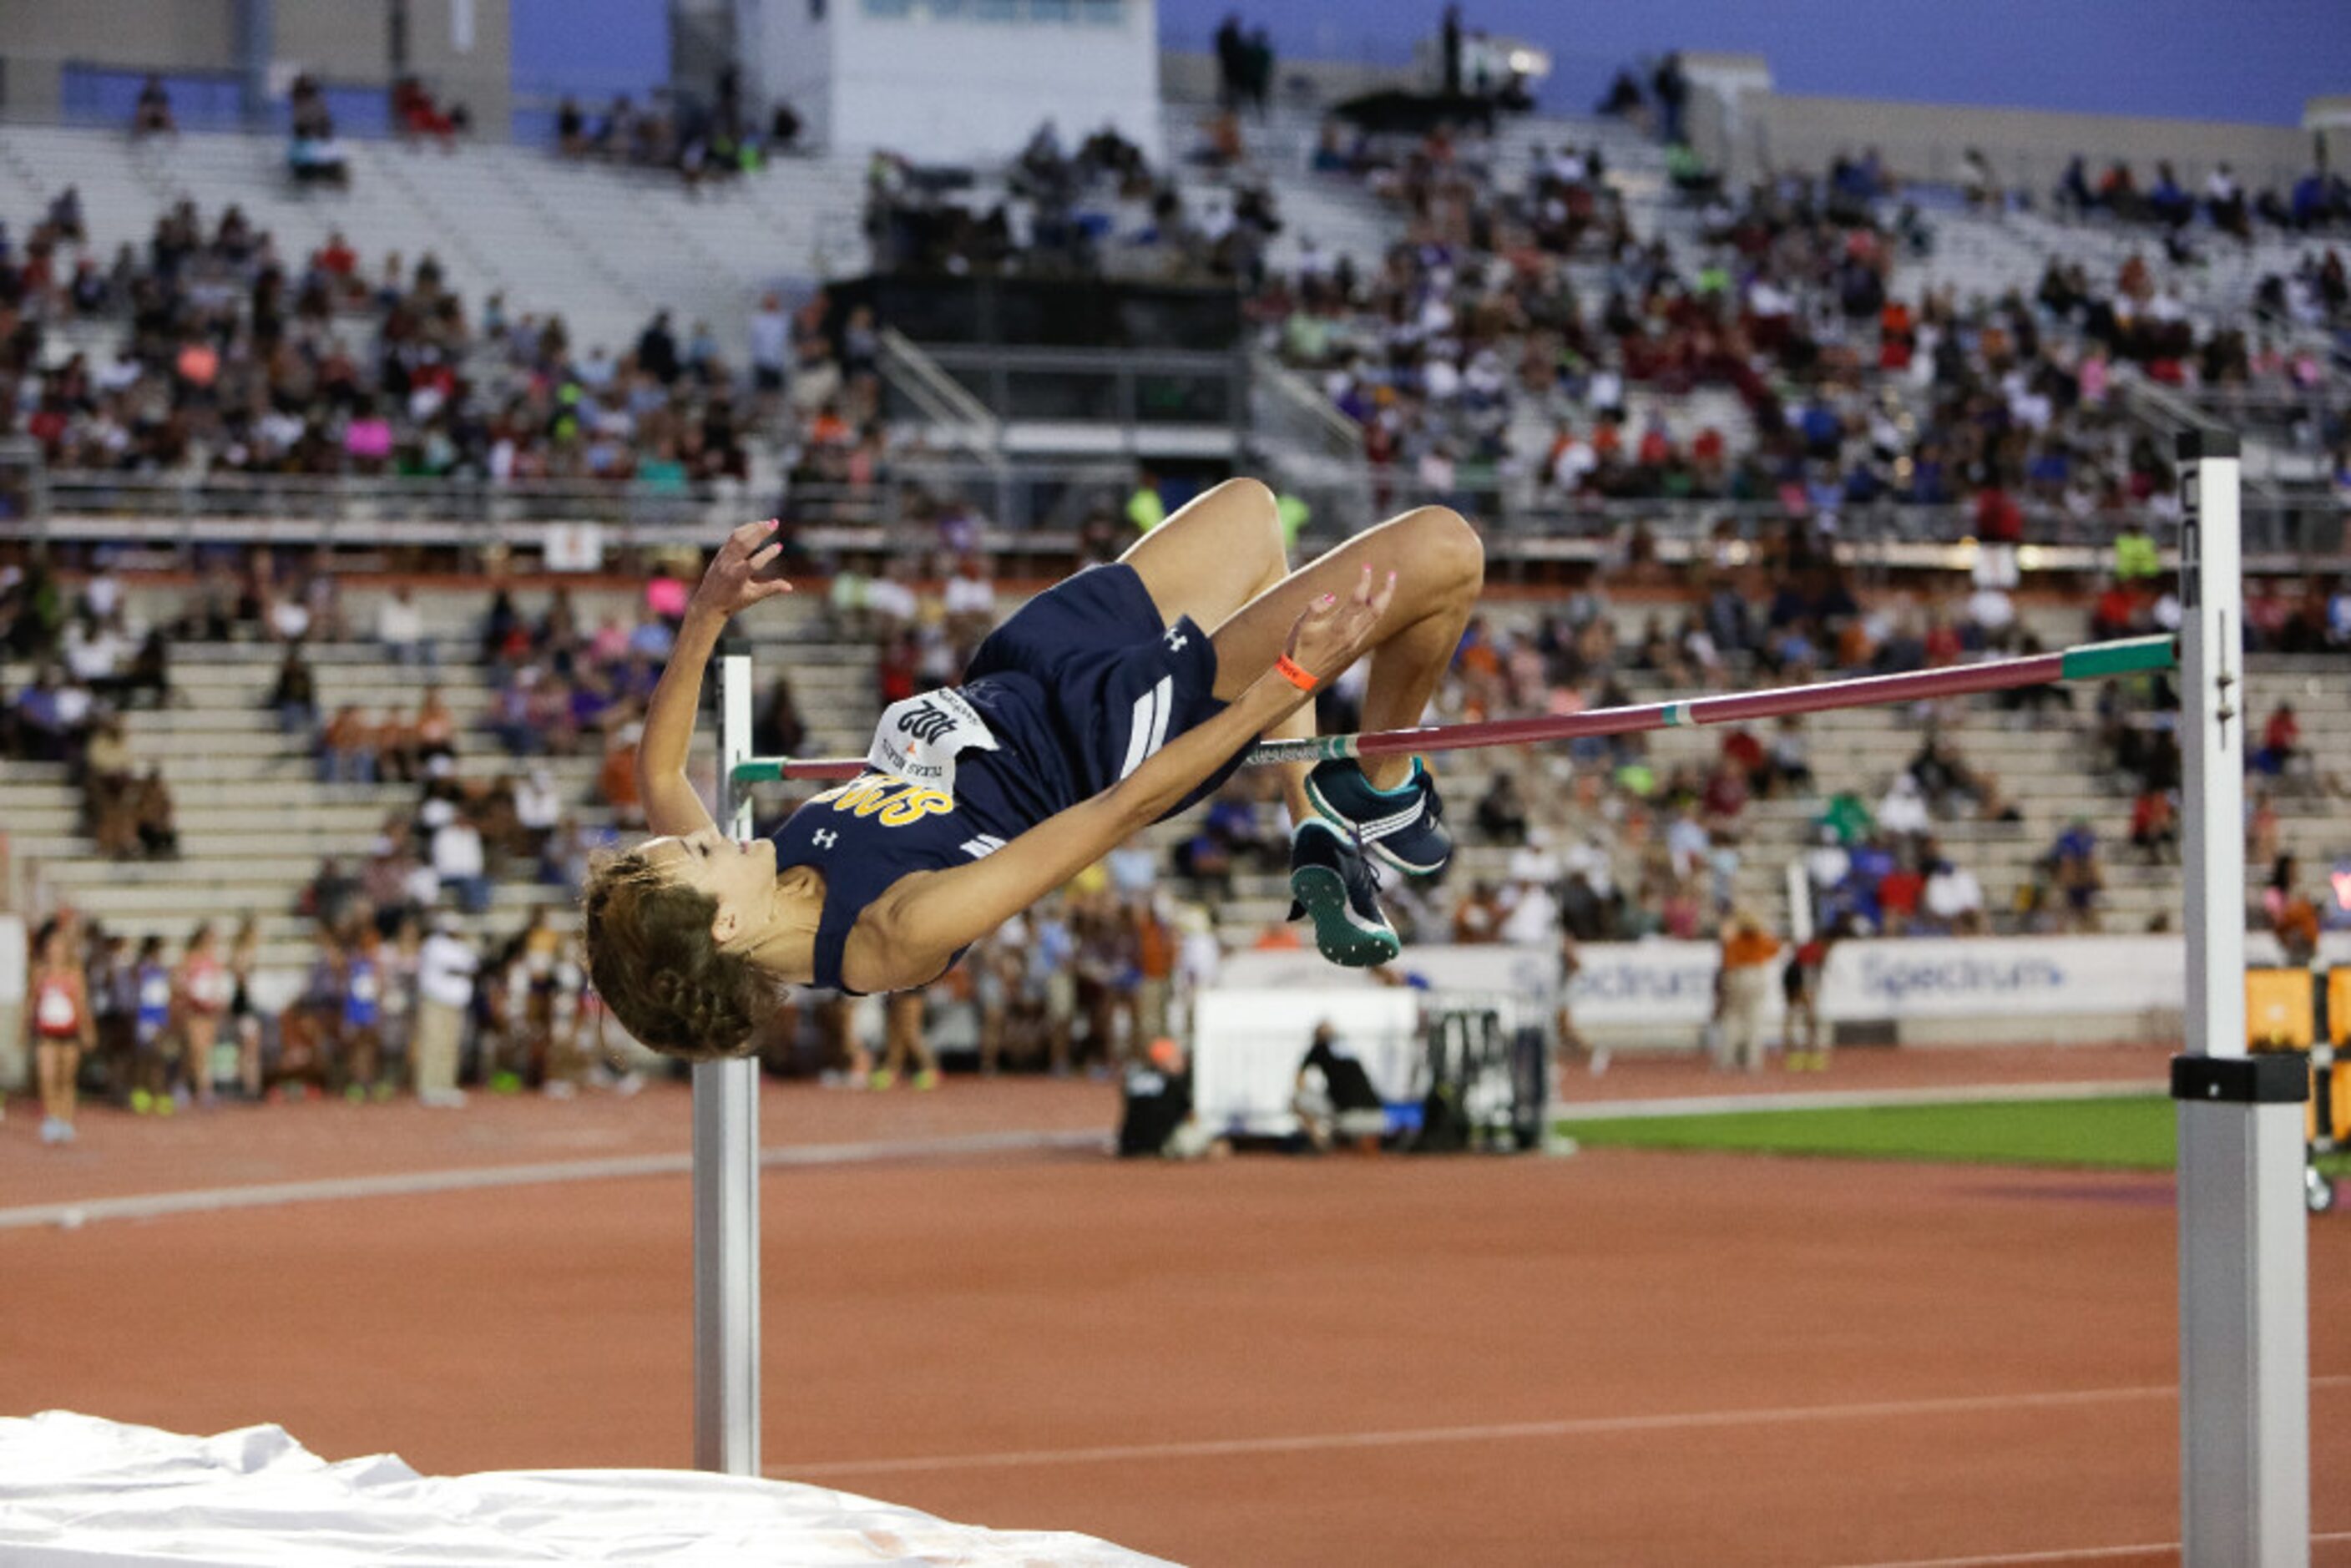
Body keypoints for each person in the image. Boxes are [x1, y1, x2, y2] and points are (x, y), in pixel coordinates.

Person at [584, 483, 1483, 1060]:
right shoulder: (895, 932)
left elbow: (657, 766)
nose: (705, 836)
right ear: (728, 924)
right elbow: (1118, 813)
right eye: (696, 856)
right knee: (1444, 551)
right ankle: (1379, 789)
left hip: (1024, 666)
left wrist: (705, 612)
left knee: (1249, 513)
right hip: (1109, 733)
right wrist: (1290, 678)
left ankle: (1315, 826)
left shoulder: (748, 890)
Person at [28, 921, 94, 1144]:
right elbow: (32, 1001)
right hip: (46, 1032)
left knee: (66, 1078)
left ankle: (66, 1119)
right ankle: (51, 1117)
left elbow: (81, 1004)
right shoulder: (40, 971)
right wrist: (25, 1026)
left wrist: (87, 1029)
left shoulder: (74, 972)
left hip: (69, 1032)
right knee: (47, 1076)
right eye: (51, 945)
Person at [1294, 1020, 1386, 1153]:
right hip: (1378, 1117)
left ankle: (1322, 1143)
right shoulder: (1349, 1049)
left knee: (1297, 1101)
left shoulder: (1319, 1048)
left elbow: (1299, 1079)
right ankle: (1354, 1143)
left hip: (1348, 1118)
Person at [1715, 911, 1779, 1073]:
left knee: (1732, 1019)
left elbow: (1727, 962)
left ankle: (1727, 1060)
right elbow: (1775, 949)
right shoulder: (1760, 939)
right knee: (1754, 1020)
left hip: (1737, 975)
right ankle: (1753, 1060)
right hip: (1755, 975)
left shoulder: (1734, 941)